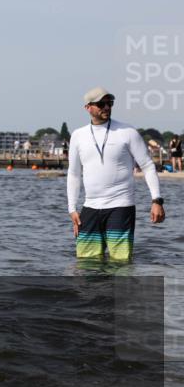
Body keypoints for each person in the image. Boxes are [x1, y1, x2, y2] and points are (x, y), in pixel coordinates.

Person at [67, 87, 164, 261]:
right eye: (101, 104)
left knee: (120, 264)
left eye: (109, 103)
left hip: (121, 206)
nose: (106, 107)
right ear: (88, 107)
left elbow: (148, 166)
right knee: (86, 263)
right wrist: (72, 208)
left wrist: (156, 201)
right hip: (90, 207)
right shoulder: (78, 135)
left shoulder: (127, 132)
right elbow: (74, 173)